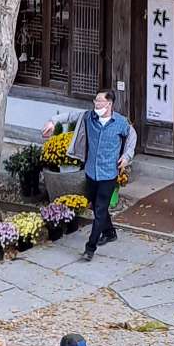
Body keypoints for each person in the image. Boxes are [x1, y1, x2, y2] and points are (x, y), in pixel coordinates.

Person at [64, 89, 136, 262]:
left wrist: (127, 156)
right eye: (95, 101)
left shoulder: (120, 122)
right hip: (91, 172)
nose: (96, 104)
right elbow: (70, 116)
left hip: (108, 174)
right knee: (96, 206)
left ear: (109, 104)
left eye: (99, 101)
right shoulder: (89, 117)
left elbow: (132, 136)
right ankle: (110, 233)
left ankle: (90, 248)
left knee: (100, 209)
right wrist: (52, 122)